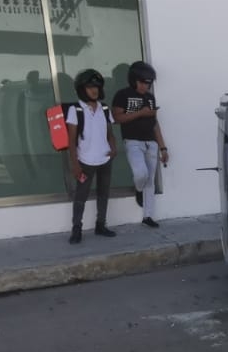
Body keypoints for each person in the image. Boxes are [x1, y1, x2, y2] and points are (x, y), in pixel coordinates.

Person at [112, 61, 168, 228]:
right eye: (143, 82)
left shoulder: (150, 98)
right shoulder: (122, 95)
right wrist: (140, 113)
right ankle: (138, 189)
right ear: (134, 80)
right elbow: (116, 119)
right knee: (141, 174)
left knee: (150, 180)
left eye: (149, 83)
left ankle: (148, 216)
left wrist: (163, 147)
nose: (146, 86)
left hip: (151, 142)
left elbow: (154, 123)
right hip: (133, 141)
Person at [66, 68, 117, 244]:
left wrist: (113, 147)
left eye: (96, 86)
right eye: (89, 87)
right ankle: (76, 229)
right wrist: (75, 164)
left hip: (104, 159)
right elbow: (71, 141)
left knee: (104, 194)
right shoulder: (76, 110)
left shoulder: (104, 108)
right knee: (81, 197)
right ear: (82, 89)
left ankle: (101, 225)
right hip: (85, 160)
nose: (94, 90)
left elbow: (109, 131)